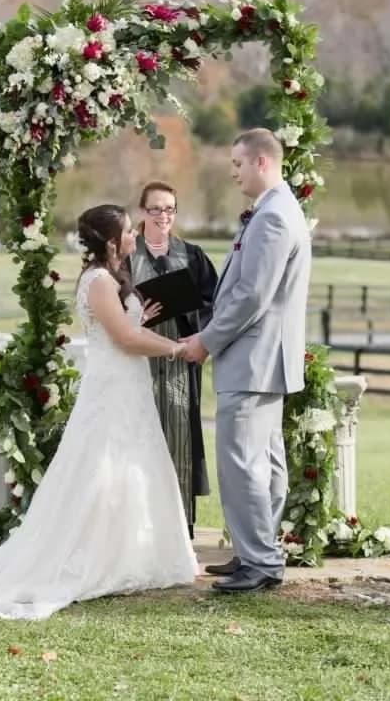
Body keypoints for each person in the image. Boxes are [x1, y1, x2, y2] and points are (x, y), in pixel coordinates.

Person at [0, 205, 198, 619]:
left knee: (129, 464)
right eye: (129, 231)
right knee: (100, 467)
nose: (135, 236)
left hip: (128, 386)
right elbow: (126, 340)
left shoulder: (113, 278)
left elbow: (127, 327)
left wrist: (140, 316)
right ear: (112, 241)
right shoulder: (98, 280)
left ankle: (132, 553)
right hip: (112, 389)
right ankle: (97, 557)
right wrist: (179, 348)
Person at [181, 129, 312, 593]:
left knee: (242, 462)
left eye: (238, 163)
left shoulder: (274, 217)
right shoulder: (277, 210)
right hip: (264, 359)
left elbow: (251, 295)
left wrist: (207, 340)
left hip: (253, 358)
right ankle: (258, 553)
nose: (233, 172)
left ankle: (259, 561)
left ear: (261, 162)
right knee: (266, 460)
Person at [127, 182, 218, 538]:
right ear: (142, 212)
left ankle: (181, 528)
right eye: (155, 209)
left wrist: (201, 336)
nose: (163, 216)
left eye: (169, 209)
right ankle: (140, 527)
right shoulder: (126, 256)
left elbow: (215, 303)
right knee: (140, 438)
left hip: (181, 360)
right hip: (138, 363)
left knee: (179, 439)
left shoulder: (192, 255)